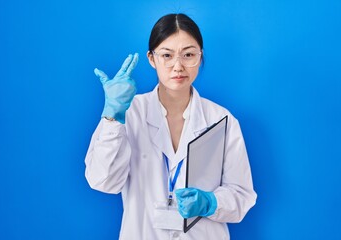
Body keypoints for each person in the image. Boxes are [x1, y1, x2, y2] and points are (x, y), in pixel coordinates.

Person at [85, 13, 257, 240]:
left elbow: (242, 196)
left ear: (200, 56)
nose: (178, 66)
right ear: (151, 58)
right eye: (167, 55)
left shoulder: (221, 120)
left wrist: (211, 202)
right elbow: (103, 181)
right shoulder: (129, 112)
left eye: (188, 55)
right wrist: (112, 117)